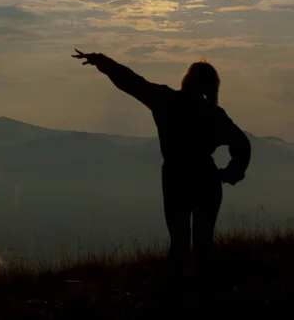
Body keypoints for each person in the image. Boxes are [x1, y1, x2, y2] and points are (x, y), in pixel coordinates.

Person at [72, 49, 251, 289]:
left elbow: (132, 82)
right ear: (211, 87)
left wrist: (101, 62)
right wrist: (231, 173)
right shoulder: (213, 114)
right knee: (203, 243)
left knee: (179, 243)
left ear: (186, 79)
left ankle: (175, 298)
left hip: (175, 178)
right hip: (205, 179)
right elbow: (242, 143)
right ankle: (205, 299)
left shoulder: (166, 100)